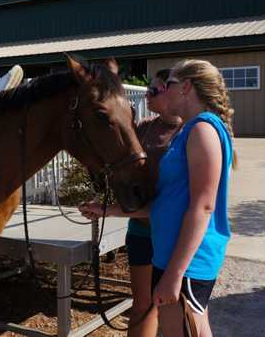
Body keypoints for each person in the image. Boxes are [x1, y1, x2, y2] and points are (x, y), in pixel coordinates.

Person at [81, 60, 235, 337]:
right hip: (171, 255)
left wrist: (174, 275)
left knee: (186, 330)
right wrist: (110, 210)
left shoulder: (203, 130)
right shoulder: (188, 131)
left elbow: (203, 207)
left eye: (169, 85)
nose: (163, 91)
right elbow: (167, 204)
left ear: (186, 87)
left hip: (187, 262)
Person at [81, 69, 183, 337]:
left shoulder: (190, 132)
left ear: (172, 92)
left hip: (173, 232)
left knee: (178, 307)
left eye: (153, 91)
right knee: (143, 304)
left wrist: (108, 211)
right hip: (141, 229)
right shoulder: (144, 128)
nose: (146, 95)